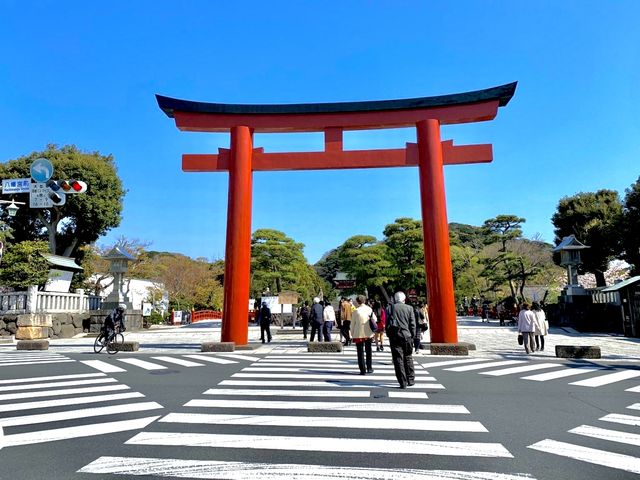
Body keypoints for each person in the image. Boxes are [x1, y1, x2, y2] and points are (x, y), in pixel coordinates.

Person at [386, 292, 416, 388]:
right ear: (404, 299)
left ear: (395, 299)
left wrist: (389, 335)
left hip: (395, 336)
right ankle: (410, 379)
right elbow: (412, 324)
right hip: (407, 336)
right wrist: (413, 336)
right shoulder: (409, 308)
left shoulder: (389, 308)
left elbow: (387, 324)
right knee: (408, 357)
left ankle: (402, 382)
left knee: (398, 359)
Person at [350, 295, 375, 374]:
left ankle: (362, 369)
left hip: (358, 332)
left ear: (357, 302)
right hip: (368, 332)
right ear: (364, 301)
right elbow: (374, 319)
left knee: (360, 352)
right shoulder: (369, 309)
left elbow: (352, 324)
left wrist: (352, 333)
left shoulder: (356, 311)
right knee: (368, 351)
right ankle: (369, 367)